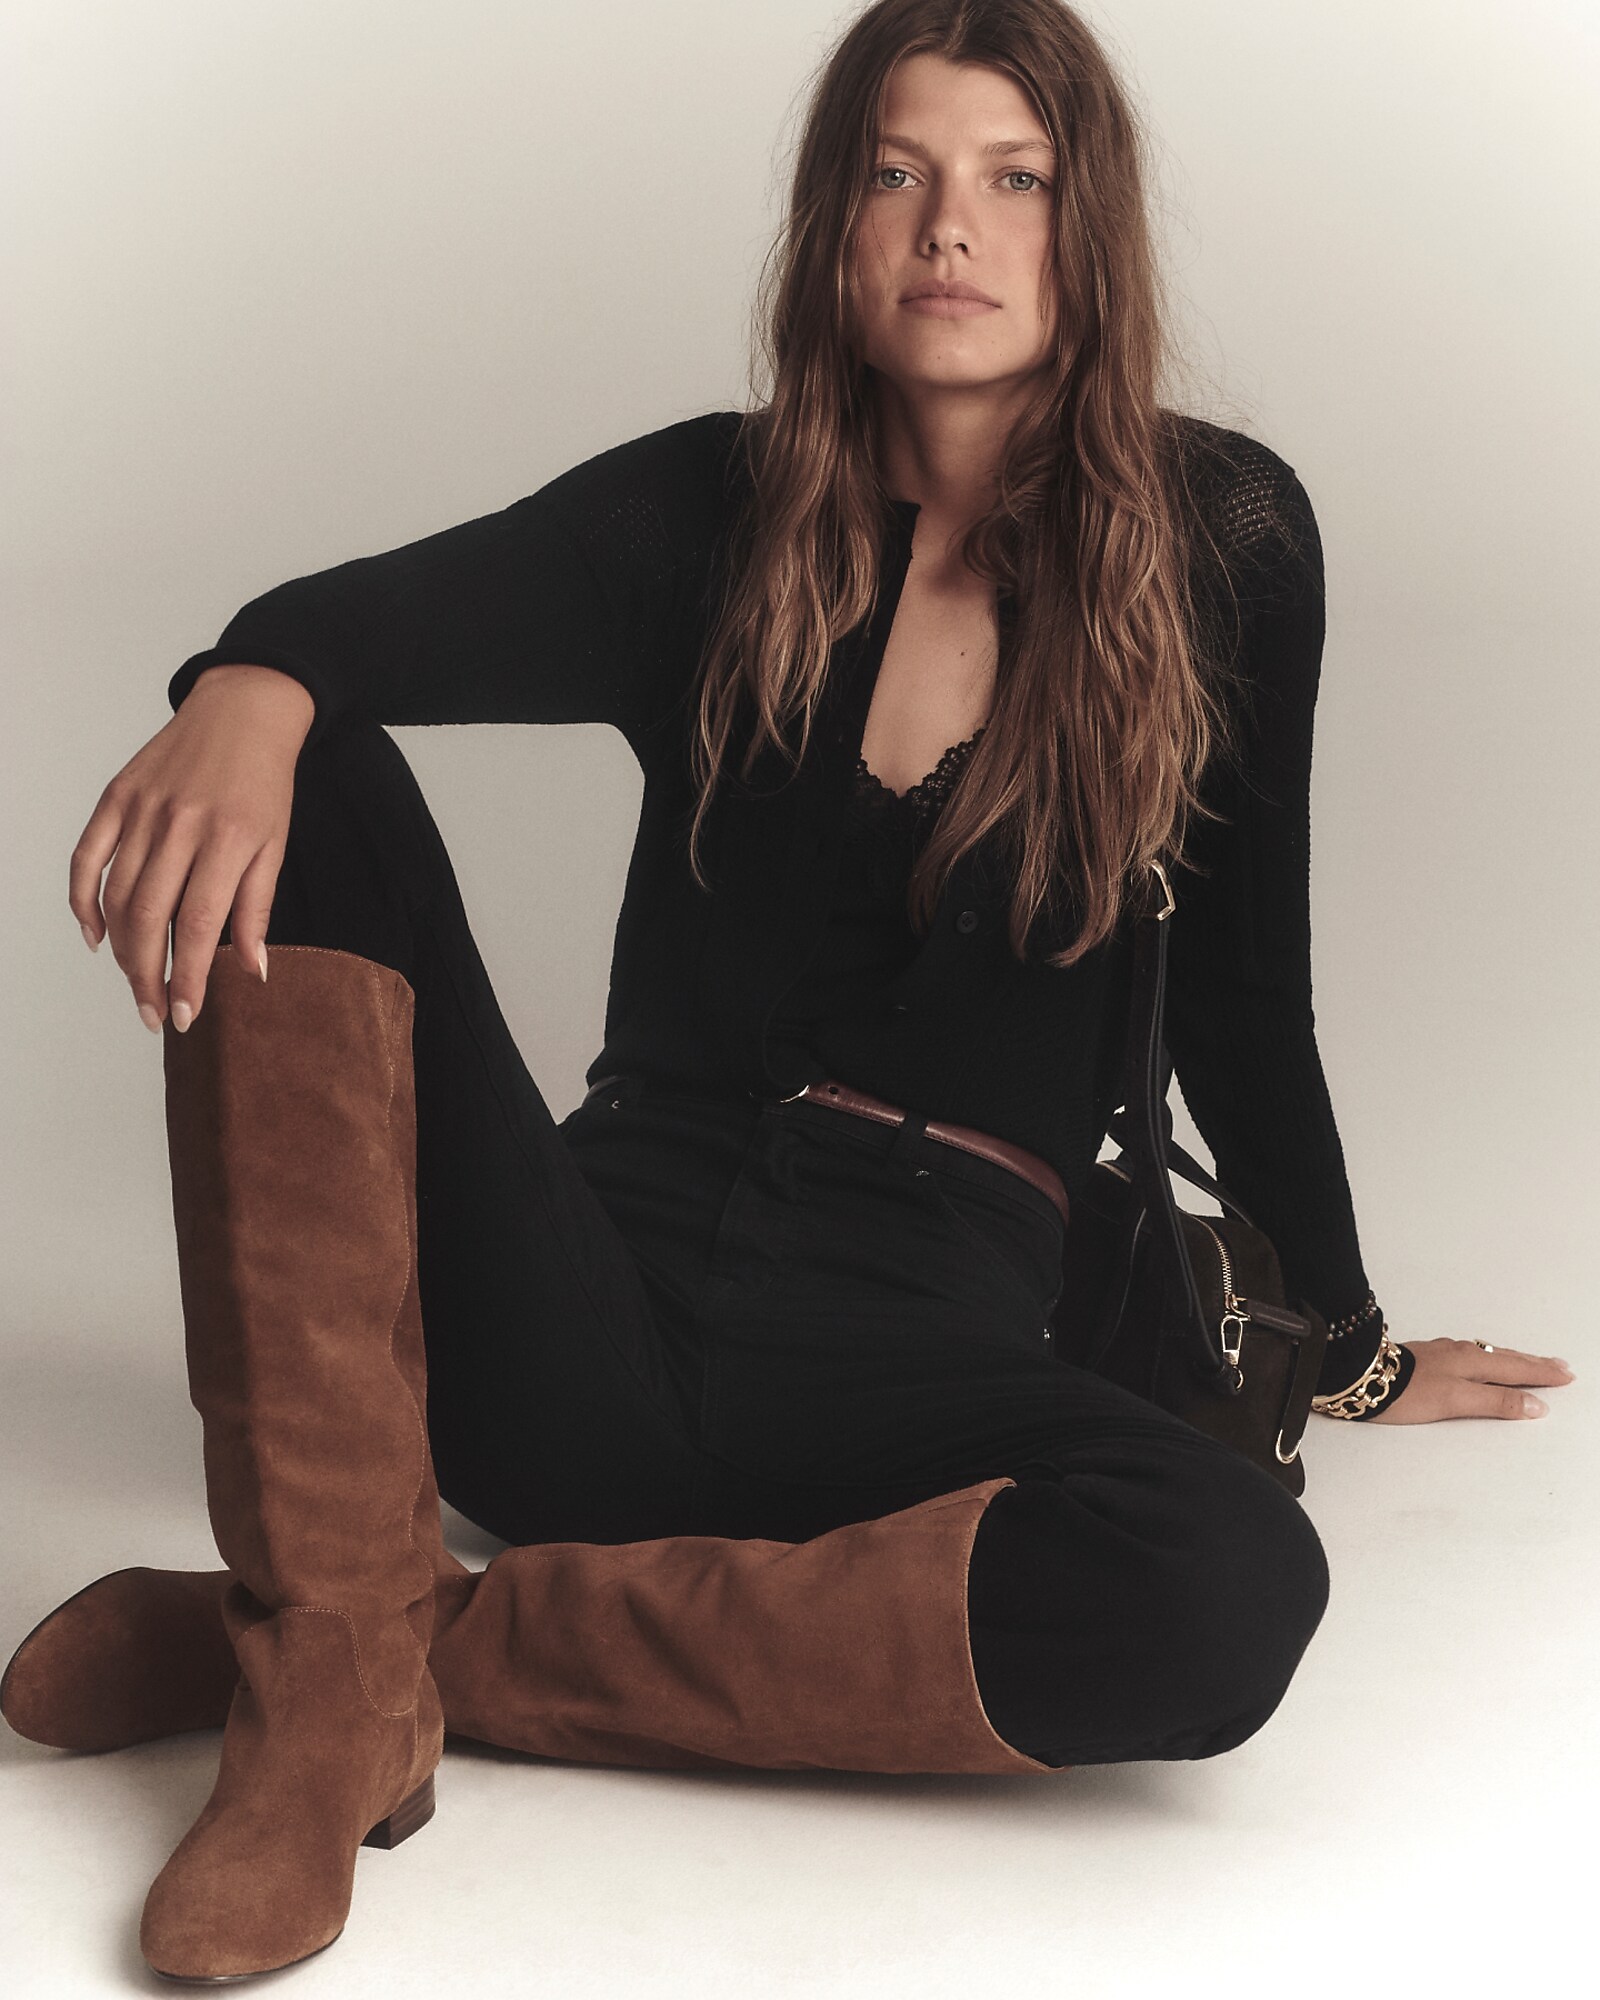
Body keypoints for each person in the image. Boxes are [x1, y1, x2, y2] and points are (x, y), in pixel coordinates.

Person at [4, 0, 1574, 1986]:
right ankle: (328, 1666)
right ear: (835, 231)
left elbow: (1245, 1002)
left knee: (1228, 1586)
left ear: (1087, 234)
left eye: (1014, 182)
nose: (952, 228)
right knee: (304, 758)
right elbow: (370, 614)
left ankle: (377, 1634)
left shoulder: (1220, 545)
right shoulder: (711, 515)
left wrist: (1339, 1349)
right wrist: (247, 677)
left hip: (912, 1356)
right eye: (898, 175)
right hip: (582, 1299)